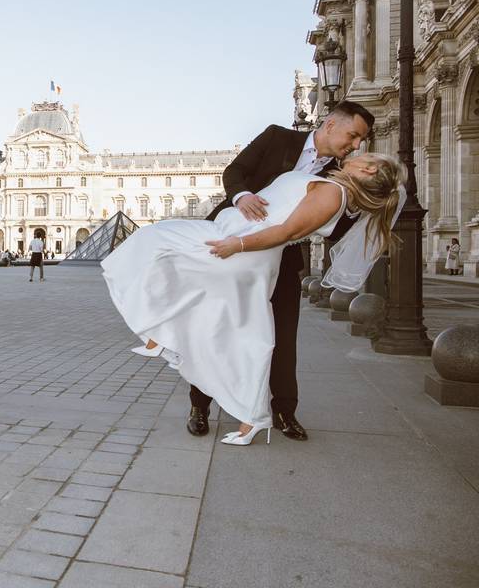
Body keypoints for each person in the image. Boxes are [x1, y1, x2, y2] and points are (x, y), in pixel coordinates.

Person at [103, 151, 403, 447]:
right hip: (241, 243)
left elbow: (286, 231)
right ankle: (241, 411)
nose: (357, 149)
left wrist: (239, 245)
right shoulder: (333, 189)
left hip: (246, 252)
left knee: (160, 246)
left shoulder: (332, 194)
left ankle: (247, 412)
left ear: (369, 171)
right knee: (233, 326)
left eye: (367, 154)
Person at [175, 101, 375, 442]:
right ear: (330, 125)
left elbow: (336, 228)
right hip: (232, 244)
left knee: (283, 336)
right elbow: (235, 172)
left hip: (282, 258)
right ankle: (199, 404)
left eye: (360, 141)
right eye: (353, 135)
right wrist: (241, 196)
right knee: (217, 327)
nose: (355, 145)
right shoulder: (277, 137)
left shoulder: (340, 174)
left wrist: (366, 205)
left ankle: (285, 411)